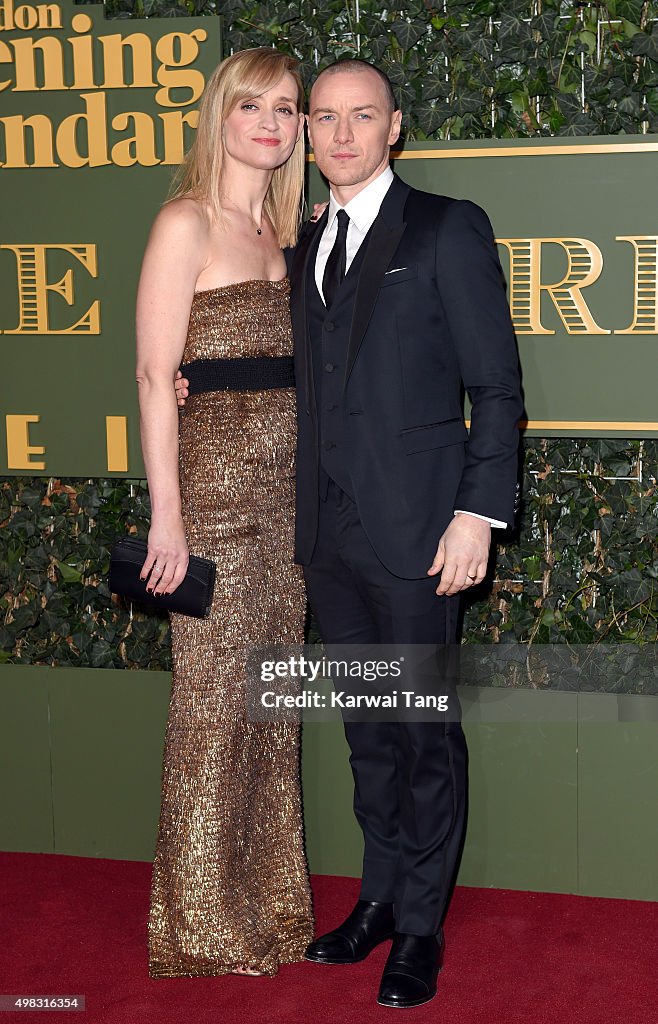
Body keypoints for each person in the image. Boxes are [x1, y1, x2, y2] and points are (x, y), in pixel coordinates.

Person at [177, 58, 523, 1007]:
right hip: (324, 536)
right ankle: (374, 900)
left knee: (422, 733)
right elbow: (278, 367)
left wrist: (477, 516)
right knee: (368, 731)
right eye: (320, 118)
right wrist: (192, 382)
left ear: (394, 127)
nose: (336, 135)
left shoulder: (448, 227)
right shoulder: (299, 237)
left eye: (358, 117)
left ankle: (419, 927)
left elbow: (495, 387)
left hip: (421, 533)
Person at [135, 47, 313, 979]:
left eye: (287, 109)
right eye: (254, 105)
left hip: (290, 513)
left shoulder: (289, 234)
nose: (272, 124)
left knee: (268, 713)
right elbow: (154, 376)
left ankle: (273, 910)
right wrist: (169, 517)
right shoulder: (186, 221)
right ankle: (199, 926)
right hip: (212, 507)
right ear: (222, 115)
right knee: (213, 711)